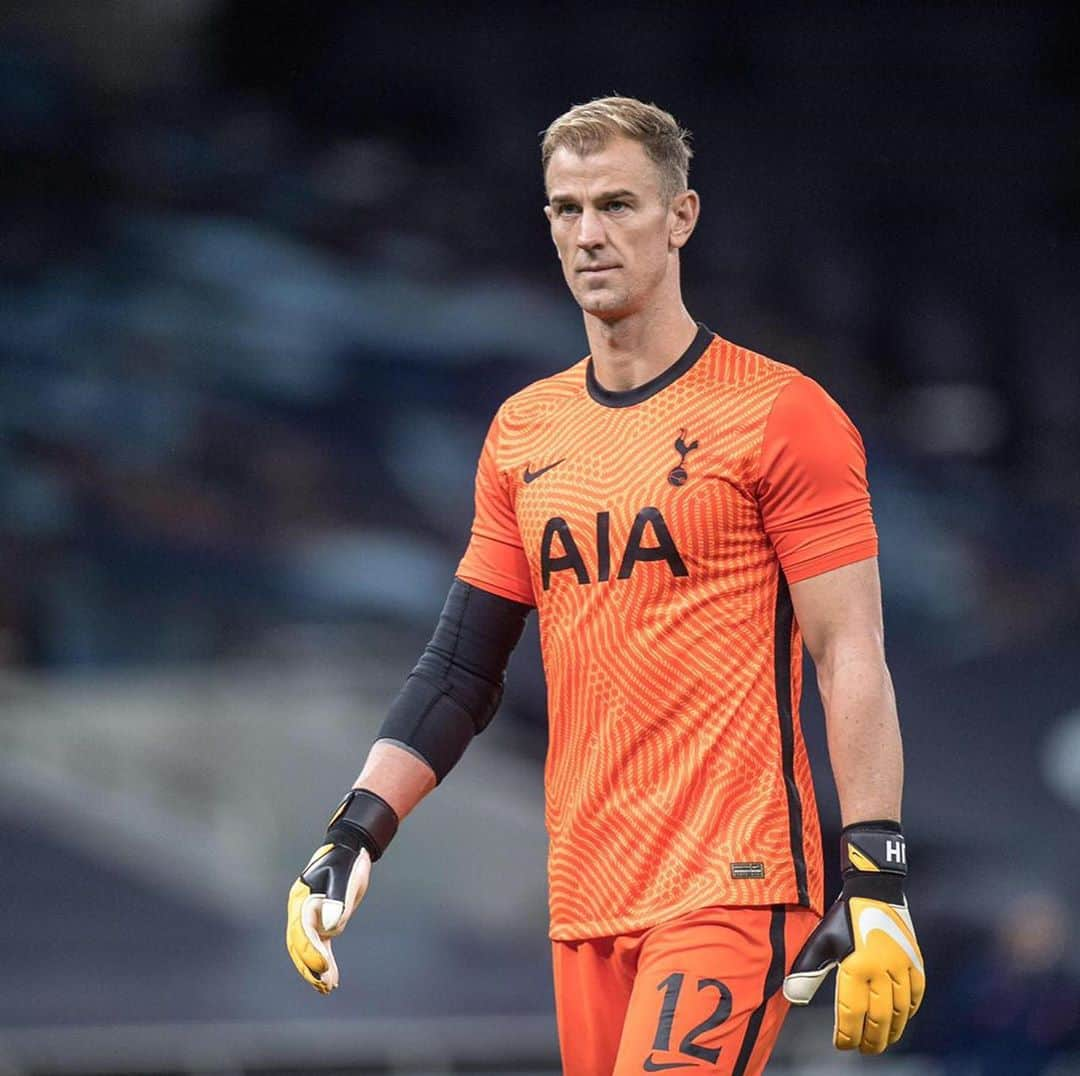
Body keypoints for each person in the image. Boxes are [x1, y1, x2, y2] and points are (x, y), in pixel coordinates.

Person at [285, 96, 924, 1075]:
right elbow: (461, 665)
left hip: (734, 879)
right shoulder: (524, 432)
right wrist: (353, 829)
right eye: (566, 208)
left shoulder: (781, 415)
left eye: (618, 204)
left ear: (682, 217)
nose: (589, 233)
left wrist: (876, 877)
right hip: (590, 893)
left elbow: (850, 654)